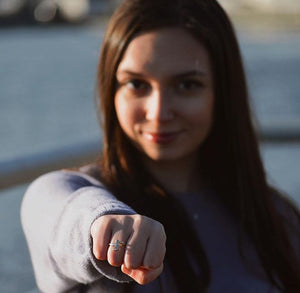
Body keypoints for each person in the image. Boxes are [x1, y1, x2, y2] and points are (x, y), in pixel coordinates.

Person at [21, 0, 300, 292]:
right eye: (136, 84)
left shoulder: (277, 218)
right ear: (111, 91)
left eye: (187, 85)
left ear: (223, 92)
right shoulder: (78, 196)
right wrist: (105, 224)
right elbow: (53, 207)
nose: (158, 112)